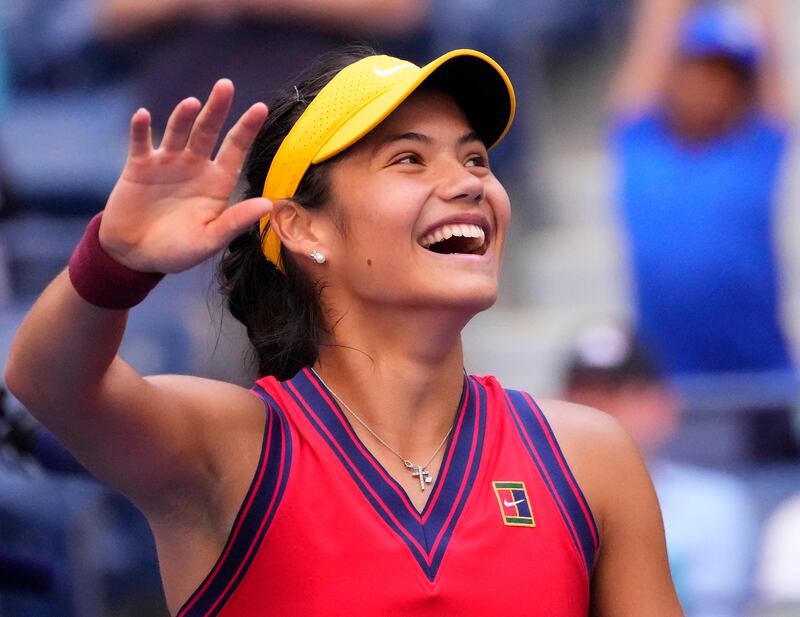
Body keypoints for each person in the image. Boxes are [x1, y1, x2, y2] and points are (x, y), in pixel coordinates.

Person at [5, 45, 683, 615]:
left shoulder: (592, 458)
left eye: (476, 159)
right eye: (409, 160)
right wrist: (116, 262)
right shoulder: (235, 448)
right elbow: (46, 383)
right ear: (302, 226)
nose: (470, 183)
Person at [608, 0, 797, 460]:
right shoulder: (640, 146)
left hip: (762, 384)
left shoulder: (756, 151)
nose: (709, 86)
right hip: (669, 391)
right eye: (695, 70)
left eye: (726, 75)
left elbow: (768, 50)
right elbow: (654, 34)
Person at [563, 322, 757, 617]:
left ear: (665, 404)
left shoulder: (718, 503)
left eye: (623, 394)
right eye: (585, 394)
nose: (599, 410)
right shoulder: (533, 505)